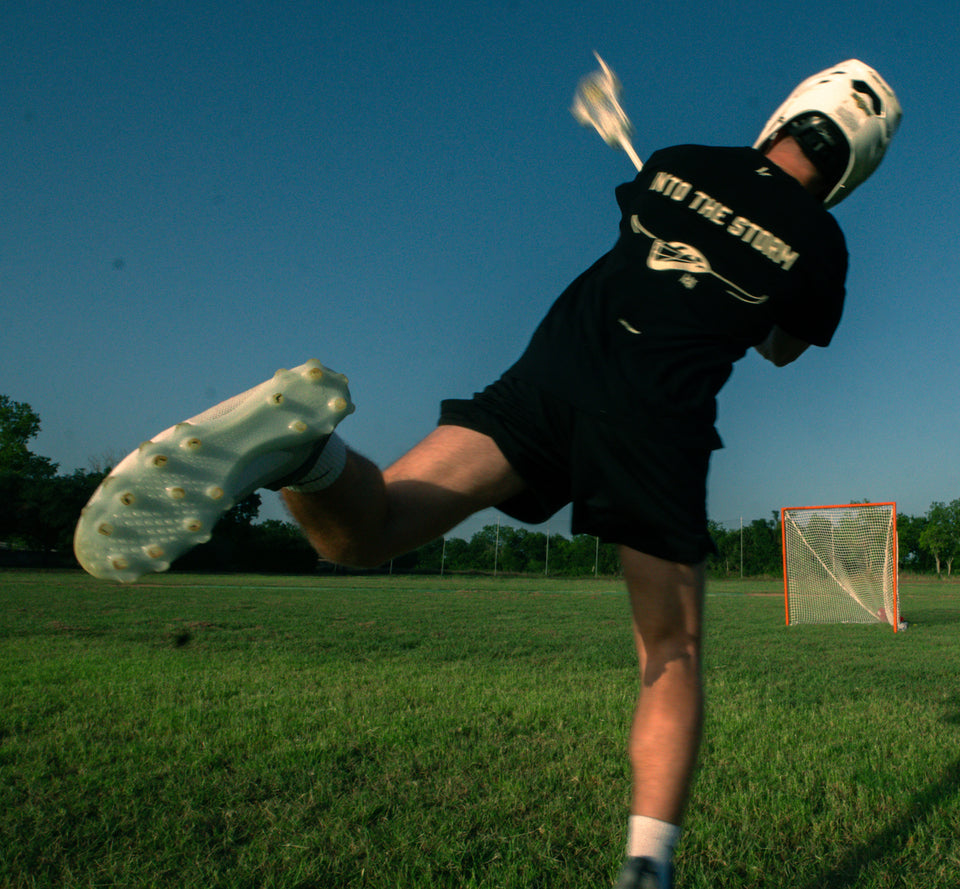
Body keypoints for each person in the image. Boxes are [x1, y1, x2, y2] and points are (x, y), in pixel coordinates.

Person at [74, 59, 901, 889]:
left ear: (786, 114)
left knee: (370, 532)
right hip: (657, 419)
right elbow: (781, 346)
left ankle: (304, 454)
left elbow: (649, 238)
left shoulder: (675, 161)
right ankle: (645, 872)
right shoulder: (823, 242)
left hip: (550, 376)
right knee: (670, 650)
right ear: (854, 169)